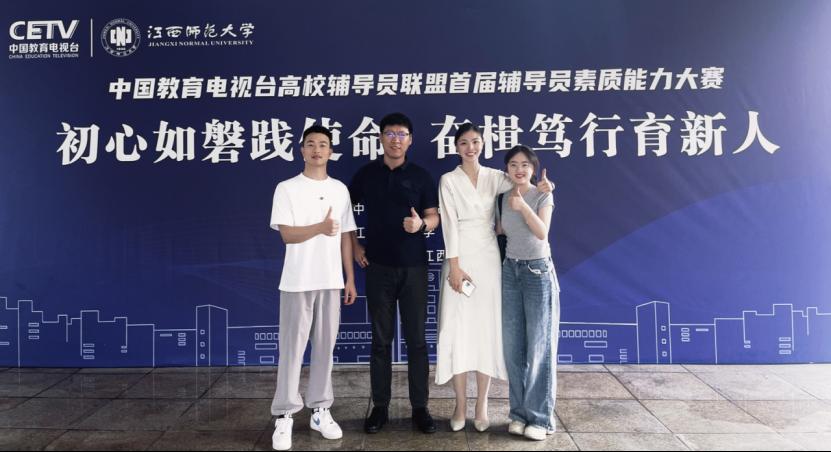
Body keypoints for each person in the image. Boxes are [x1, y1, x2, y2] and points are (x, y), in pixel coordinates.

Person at [436, 124, 553, 433]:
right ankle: (460, 405)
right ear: (456, 147)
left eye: (475, 142)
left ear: (483, 144)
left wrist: (546, 187)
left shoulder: (495, 177)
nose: (470, 148)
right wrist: (454, 266)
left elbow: (523, 180)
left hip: (489, 258)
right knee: (458, 329)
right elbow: (449, 225)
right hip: (460, 258)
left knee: (486, 329)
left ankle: (482, 405)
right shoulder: (448, 180)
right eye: (464, 143)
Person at [348, 112, 440, 434]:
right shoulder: (366, 175)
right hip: (378, 268)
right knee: (380, 341)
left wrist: (421, 225)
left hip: (414, 268)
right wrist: (355, 245)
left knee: (417, 341)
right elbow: (346, 212)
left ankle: (420, 408)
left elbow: (434, 216)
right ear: (380, 138)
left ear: (410, 140)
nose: (395, 139)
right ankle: (380, 407)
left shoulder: (421, 176)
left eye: (402, 134)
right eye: (390, 133)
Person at [269, 125, 358, 451]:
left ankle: (320, 410)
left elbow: (346, 236)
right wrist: (320, 227)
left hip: (330, 281)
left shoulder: (339, 189)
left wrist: (349, 278)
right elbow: (287, 234)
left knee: (324, 349)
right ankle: (285, 415)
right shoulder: (287, 188)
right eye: (311, 144)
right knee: (292, 351)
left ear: (331, 151)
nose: (317, 149)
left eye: (323, 144)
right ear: (302, 150)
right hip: (297, 281)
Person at [498, 145, 560, 441]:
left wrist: (523, 206)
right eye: (513, 164)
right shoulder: (501, 197)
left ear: (533, 169)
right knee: (514, 349)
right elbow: (499, 230)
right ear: (506, 170)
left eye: (525, 164)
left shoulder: (542, 195)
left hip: (537, 272)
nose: (519, 169)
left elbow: (542, 232)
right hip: (510, 271)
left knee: (539, 347)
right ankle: (518, 413)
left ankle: (540, 418)